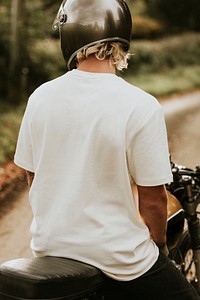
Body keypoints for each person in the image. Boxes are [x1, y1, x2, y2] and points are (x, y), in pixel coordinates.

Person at [14, 0, 200, 299]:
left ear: (68, 33)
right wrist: (160, 246)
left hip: (51, 249)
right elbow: (153, 199)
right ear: (121, 38)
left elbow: (33, 176)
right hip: (119, 260)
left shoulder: (40, 97)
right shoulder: (140, 104)